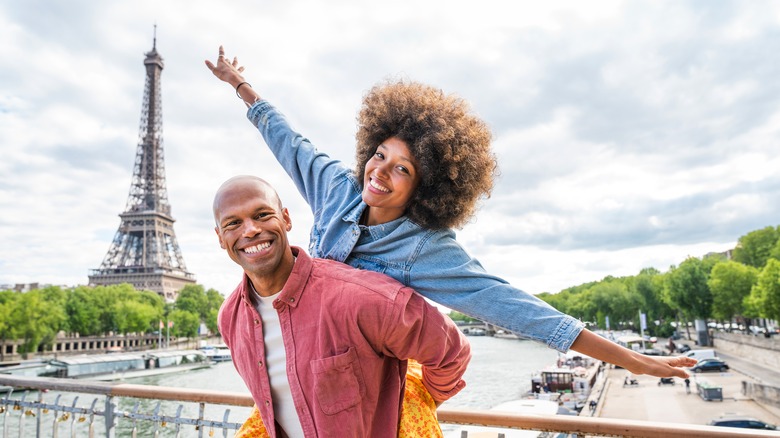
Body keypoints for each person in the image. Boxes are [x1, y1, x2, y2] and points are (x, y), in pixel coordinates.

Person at [205, 46, 697, 433]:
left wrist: (635, 360)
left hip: (371, 380)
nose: (380, 173)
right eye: (379, 155)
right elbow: (290, 142)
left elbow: (519, 309)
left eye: (403, 169)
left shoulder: (426, 249)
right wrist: (241, 87)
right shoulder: (337, 186)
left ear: (427, 187)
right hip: (319, 364)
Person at [213, 175, 471, 437]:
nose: (250, 230)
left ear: (286, 219)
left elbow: (451, 352)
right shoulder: (231, 319)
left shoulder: (360, 297)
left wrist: (414, 406)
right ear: (220, 238)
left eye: (262, 215)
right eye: (233, 223)